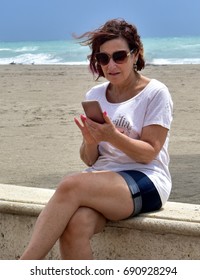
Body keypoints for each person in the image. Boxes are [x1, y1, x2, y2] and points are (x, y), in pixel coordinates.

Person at [20, 18, 173, 260]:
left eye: (119, 56)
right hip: (104, 179)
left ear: (135, 55)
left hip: (147, 179)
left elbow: (149, 152)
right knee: (74, 227)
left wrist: (112, 136)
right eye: (103, 58)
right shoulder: (95, 95)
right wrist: (91, 141)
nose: (111, 64)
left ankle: (23, 267)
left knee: (72, 184)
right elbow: (90, 160)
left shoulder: (155, 93)